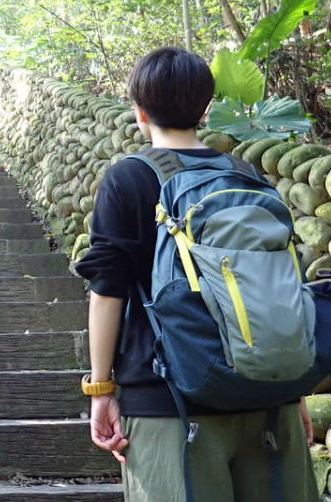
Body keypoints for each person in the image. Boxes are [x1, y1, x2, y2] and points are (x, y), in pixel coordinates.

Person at [74, 46, 318, 502]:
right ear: (206, 108)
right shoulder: (248, 178)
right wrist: (293, 390)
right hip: (268, 400)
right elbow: (274, 290)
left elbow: (108, 290)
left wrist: (101, 388)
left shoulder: (129, 179)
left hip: (169, 404)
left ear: (139, 110)